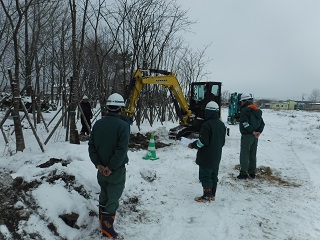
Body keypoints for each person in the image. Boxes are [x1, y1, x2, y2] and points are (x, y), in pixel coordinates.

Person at [88, 93, 129, 239]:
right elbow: (121, 150)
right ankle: (108, 229)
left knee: (104, 195)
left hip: (101, 170)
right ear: (120, 108)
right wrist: (110, 168)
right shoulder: (124, 126)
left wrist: (98, 164)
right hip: (115, 171)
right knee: (113, 198)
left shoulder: (98, 124)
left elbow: (91, 146)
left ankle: (103, 223)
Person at [188, 101, 226, 202]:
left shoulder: (206, 125)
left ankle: (206, 196)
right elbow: (222, 142)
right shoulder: (222, 125)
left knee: (205, 175)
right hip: (217, 155)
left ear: (208, 112)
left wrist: (193, 145)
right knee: (214, 175)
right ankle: (212, 195)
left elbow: (203, 142)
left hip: (206, 156)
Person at [237, 93, 265, 180]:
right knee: (252, 155)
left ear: (244, 101)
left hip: (247, 135)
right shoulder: (257, 110)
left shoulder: (245, 110)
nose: (241, 103)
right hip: (255, 137)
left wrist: (252, 132)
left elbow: (245, 123)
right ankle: (252, 173)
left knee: (244, 154)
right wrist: (258, 132)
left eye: (241, 101)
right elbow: (262, 123)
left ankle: (243, 173)